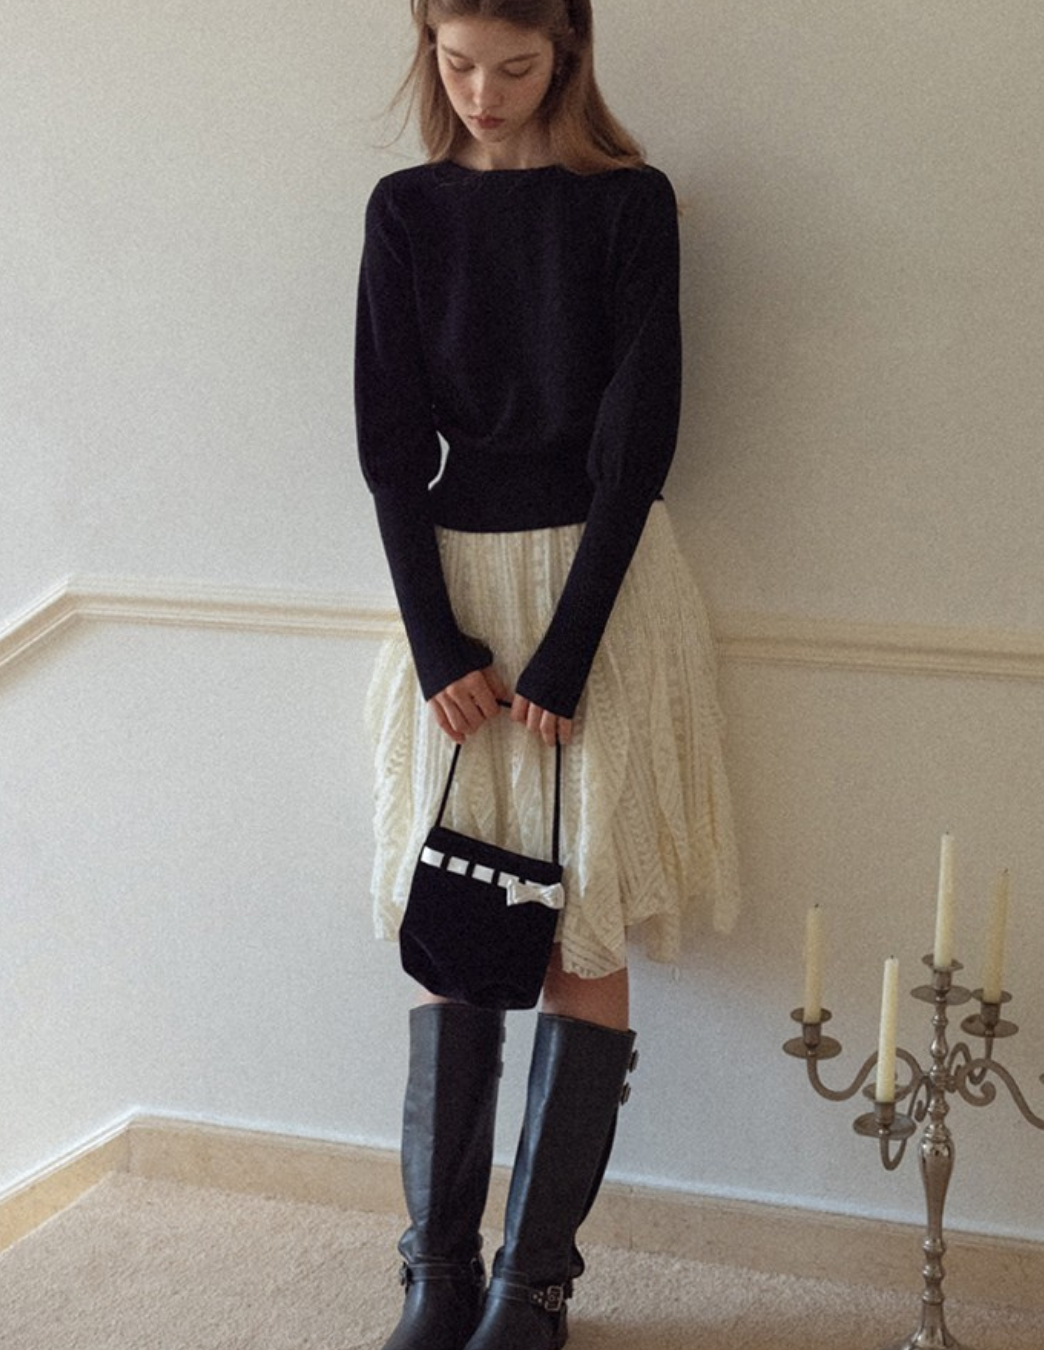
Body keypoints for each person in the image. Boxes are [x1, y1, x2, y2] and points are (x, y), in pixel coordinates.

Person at [355, 3, 741, 1348]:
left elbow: (640, 441)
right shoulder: (406, 210)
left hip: (603, 589)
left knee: (583, 920)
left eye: (514, 66)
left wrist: (570, 648)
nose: (484, 90)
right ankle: (437, 1275)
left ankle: (532, 1290)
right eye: (458, 62)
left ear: (567, 52)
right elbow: (389, 445)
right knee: (458, 913)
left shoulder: (630, 204)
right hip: (453, 588)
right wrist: (435, 643)